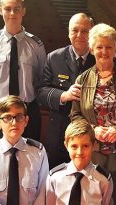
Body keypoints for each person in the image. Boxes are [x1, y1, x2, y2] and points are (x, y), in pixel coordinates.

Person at [69, 23, 116, 204]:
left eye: (109, 47)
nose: (104, 51)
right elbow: (75, 116)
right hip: (95, 152)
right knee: (96, 199)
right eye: (99, 47)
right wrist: (92, 130)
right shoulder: (83, 79)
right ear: (92, 48)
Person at [0, 0, 46, 144]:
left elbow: (40, 78)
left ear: (23, 11)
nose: (12, 13)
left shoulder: (36, 44)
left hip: (27, 110)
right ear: (0, 10)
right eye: (8, 9)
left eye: (17, 9)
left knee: (29, 157)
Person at [36, 13, 95, 169]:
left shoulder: (100, 58)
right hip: (59, 132)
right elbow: (41, 92)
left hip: (90, 133)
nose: (79, 35)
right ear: (69, 33)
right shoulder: (54, 58)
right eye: (75, 30)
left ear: (92, 33)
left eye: (85, 31)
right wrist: (64, 95)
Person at [0, 95, 49, 205]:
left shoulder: (38, 152)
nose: (14, 122)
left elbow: (44, 191)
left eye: (19, 117)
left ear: (26, 121)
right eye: (7, 118)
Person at [46, 119, 113, 205]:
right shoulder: (54, 178)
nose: (80, 152)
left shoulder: (104, 180)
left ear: (93, 145)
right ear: (66, 146)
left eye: (85, 146)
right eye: (74, 146)